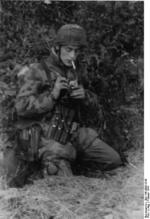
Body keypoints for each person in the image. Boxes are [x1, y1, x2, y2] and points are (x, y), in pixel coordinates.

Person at [6, 24, 122, 187]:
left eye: (77, 51)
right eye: (68, 50)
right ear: (57, 48)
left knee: (112, 160)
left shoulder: (76, 70)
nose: (73, 56)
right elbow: (21, 107)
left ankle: (72, 164)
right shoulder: (37, 70)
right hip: (47, 138)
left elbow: (94, 106)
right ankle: (47, 168)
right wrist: (52, 95)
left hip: (72, 133)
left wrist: (85, 96)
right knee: (64, 188)